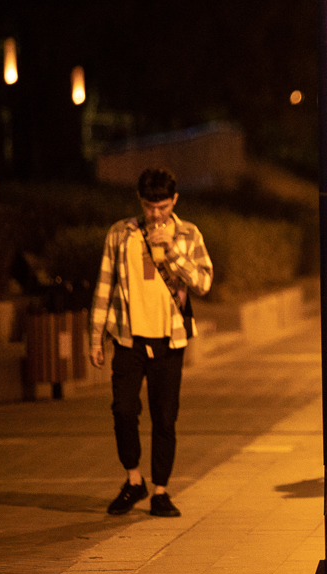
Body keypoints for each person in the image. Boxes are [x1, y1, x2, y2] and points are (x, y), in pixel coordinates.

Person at [89, 167, 213, 517]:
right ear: (140, 202)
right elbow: (104, 286)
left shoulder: (188, 234)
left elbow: (204, 283)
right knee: (123, 410)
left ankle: (161, 490)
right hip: (128, 337)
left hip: (169, 340)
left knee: (165, 417)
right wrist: (95, 337)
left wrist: (172, 251)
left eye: (161, 206)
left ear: (173, 200)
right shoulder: (121, 233)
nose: (155, 214)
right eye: (148, 206)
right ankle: (133, 480)